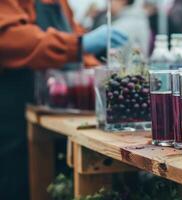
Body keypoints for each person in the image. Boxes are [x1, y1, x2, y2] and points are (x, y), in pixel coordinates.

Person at [0, 0, 127, 199]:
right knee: (17, 180)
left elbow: (74, 37)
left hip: (57, 114)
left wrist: (103, 72)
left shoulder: (60, 3)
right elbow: (9, 38)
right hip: (13, 113)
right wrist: (78, 44)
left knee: (57, 179)